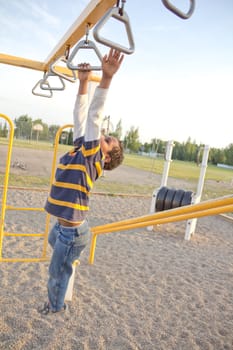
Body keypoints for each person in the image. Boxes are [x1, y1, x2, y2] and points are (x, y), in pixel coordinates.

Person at [38, 48, 124, 315]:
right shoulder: (82, 150)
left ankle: (55, 307)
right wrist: (84, 83)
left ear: (106, 159)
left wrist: (106, 79)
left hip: (72, 231)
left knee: (57, 272)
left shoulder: (92, 157)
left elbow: (94, 117)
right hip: (67, 230)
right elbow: (81, 117)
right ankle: (69, 257)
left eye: (109, 140)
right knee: (59, 249)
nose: (104, 136)